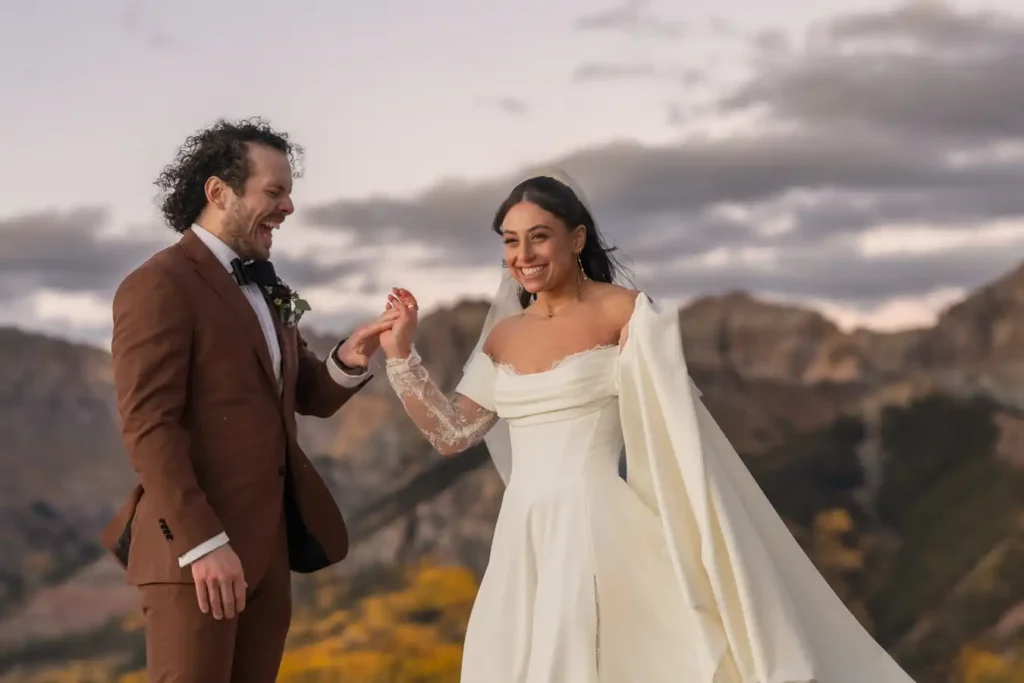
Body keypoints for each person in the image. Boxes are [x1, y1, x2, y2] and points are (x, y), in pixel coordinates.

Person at [374, 172, 918, 682]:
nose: (524, 255)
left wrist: (696, 530)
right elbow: (450, 435)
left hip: (596, 524)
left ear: (577, 237)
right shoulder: (504, 337)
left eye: (539, 237)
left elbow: (673, 425)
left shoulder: (628, 313)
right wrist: (400, 356)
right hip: (521, 535)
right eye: (511, 242)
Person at [99, 117, 398, 683]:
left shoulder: (268, 285)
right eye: (275, 192)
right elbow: (148, 426)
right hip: (196, 555)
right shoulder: (158, 284)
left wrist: (351, 359)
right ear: (219, 192)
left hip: (265, 555)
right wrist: (204, 543)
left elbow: (303, 391)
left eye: (289, 193)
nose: (288, 208)